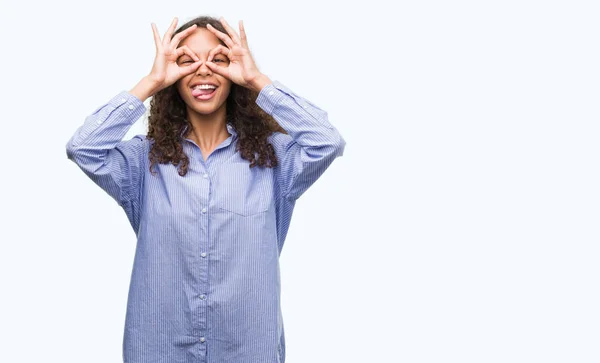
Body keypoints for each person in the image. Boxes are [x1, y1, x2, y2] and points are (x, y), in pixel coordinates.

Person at [65, 15, 345, 363]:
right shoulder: (142, 161)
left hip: (247, 351)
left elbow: (327, 142)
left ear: (234, 72)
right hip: (159, 350)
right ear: (173, 77)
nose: (203, 70)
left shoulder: (275, 159)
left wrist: (259, 81)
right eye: (186, 61)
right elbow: (83, 148)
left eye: (218, 59)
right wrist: (150, 83)